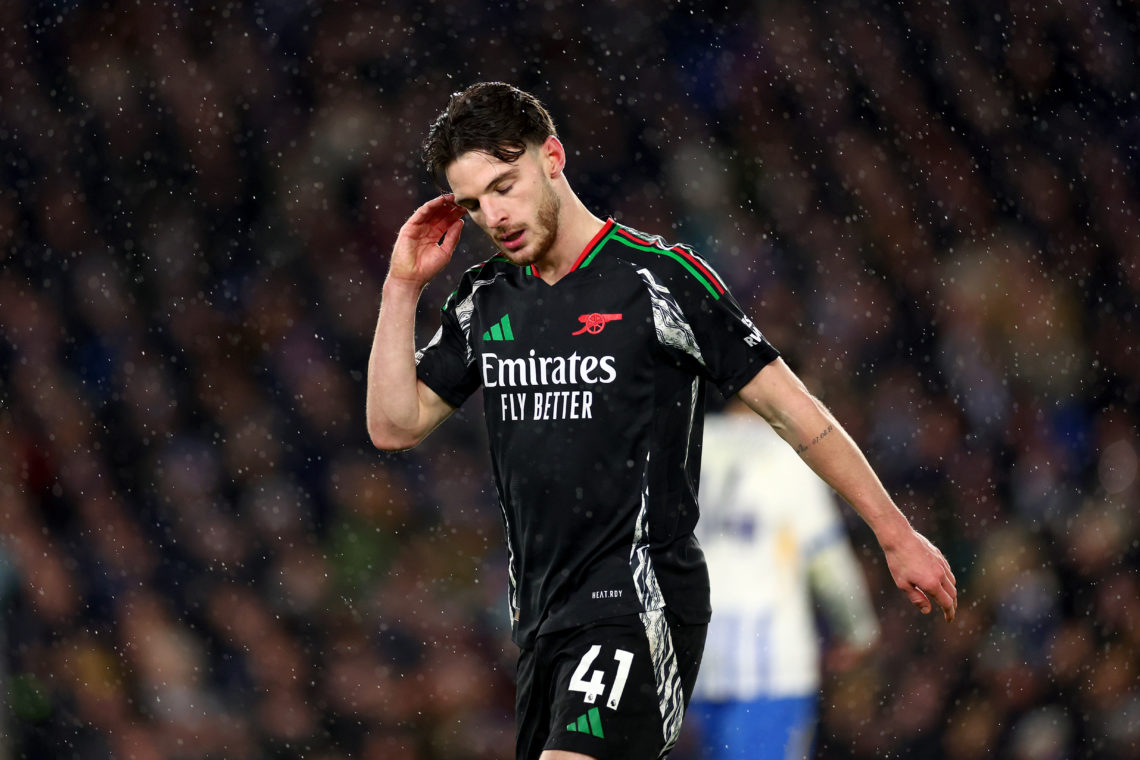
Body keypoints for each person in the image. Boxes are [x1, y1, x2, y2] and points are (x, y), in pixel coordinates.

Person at [365, 82, 957, 760]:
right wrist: (401, 287)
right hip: (539, 622)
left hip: (638, 603)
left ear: (552, 157)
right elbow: (394, 425)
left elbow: (797, 413)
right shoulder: (486, 298)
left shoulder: (659, 281)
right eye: (473, 204)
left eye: (505, 185)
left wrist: (894, 532)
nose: (494, 215)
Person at [687, 397, 881, 760]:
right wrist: (858, 631)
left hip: (688, 666)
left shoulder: (686, 444)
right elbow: (827, 562)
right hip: (770, 669)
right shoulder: (791, 455)